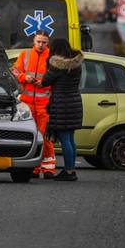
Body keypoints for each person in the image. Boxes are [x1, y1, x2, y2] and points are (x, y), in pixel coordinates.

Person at [38, 38, 83, 182]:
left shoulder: (57, 65)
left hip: (62, 104)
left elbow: (45, 81)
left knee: (64, 139)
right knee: (70, 138)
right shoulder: (76, 63)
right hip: (74, 102)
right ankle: (71, 170)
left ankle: (68, 171)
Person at [14, 32, 56, 178]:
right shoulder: (25, 54)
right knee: (30, 136)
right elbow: (15, 72)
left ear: (47, 43)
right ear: (34, 40)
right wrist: (25, 77)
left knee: (44, 137)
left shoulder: (52, 58)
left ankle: (48, 168)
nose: (40, 44)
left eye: (44, 42)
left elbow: (55, 80)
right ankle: (33, 168)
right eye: (38, 41)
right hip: (27, 104)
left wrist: (43, 83)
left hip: (44, 104)